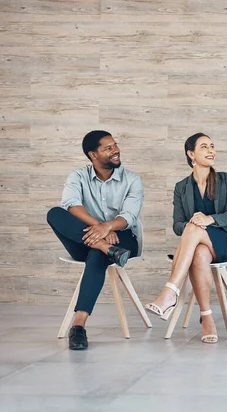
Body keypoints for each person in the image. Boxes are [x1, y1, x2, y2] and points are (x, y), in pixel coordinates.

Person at [145, 133, 227, 344]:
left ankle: (170, 291)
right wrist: (194, 225)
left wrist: (207, 219)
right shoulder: (181, 187)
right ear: (191, 154)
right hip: (200, 246)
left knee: (193, 228)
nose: (211, 151)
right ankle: (207, 318)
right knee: (199, 254)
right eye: (204, 147)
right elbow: (177, 225)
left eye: (212, 146)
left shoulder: (226, 180)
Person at [46, 130, 143, 350]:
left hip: (124, 241)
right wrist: (99, 232)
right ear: (93, 155)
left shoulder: (132, 180)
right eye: (108, 148)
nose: (116, 150)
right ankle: (105, 248)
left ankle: (78, 326)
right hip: (90, 239)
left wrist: (107, 226)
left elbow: (129, 216)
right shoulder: (78, 176)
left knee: (97, 255)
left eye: (115, 145)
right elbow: (71, 204)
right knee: (55, 213)